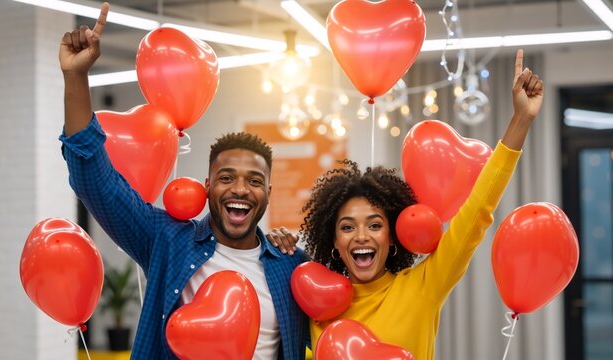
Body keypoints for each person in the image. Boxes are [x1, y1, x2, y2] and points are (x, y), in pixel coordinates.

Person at [57, 3, 307, 359]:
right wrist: (75, 78)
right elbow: (94, 181)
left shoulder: (290, 265)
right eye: (226, 178)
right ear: (207, 186)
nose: (239, 189)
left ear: (268, 193)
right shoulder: (168, 242)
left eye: (253, 181)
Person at [274, 49, 543, 360]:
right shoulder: (316, 303)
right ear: (334, 240)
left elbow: (477, 210)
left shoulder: (423, 288)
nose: (361, 236)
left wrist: (521, 119)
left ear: (392, 237)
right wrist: (275, 246)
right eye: (347, 227)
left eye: (375, 225)